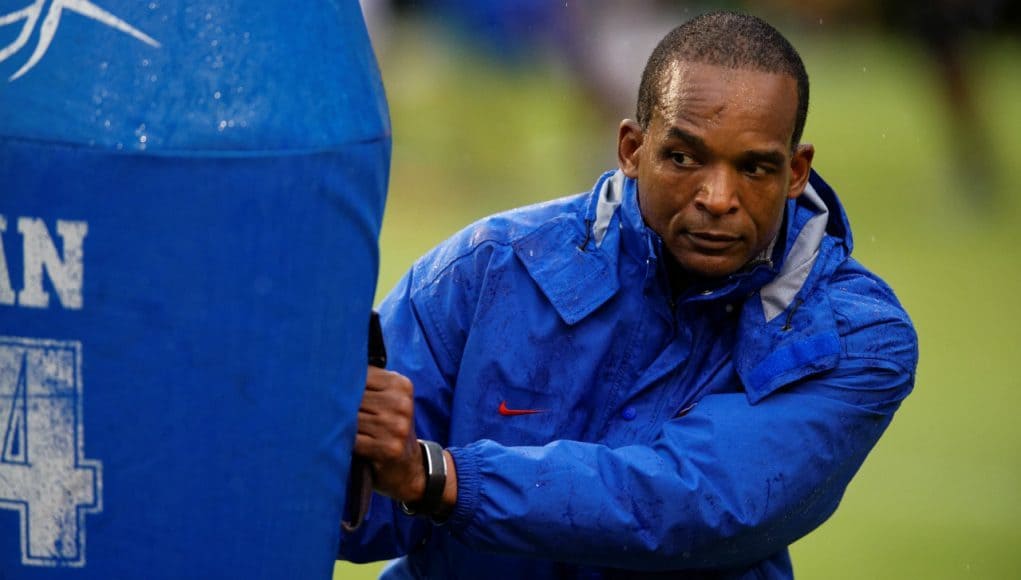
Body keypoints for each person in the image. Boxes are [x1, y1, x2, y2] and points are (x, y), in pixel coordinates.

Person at [340, 11, 917, 579]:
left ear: (796, 171)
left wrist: (436, 475)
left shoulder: (856, 336)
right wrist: (354, 460)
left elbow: (693, 506)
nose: (718, 197)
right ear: (632, 149)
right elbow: (355, 517)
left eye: (754, 168)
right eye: (684, 157)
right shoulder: (487, 268)